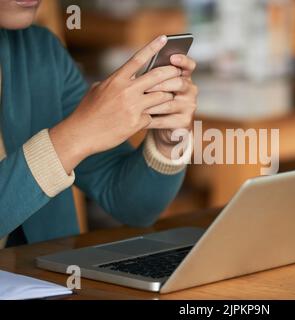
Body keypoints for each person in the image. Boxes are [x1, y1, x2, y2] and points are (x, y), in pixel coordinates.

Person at [0, 0, 198, 248]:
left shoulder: (41, 51)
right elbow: (76, 137)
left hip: (49, 281)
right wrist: (75, 137)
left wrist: (165, 144)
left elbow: (131, 206)